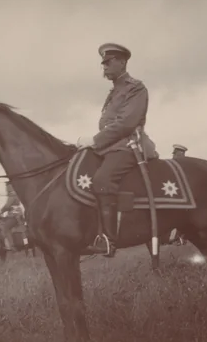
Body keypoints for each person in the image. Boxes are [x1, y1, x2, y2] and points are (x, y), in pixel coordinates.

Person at [75, 42, 158, 257]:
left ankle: (109, 240)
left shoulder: (135, 88)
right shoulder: (113, 93)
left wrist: (94, 140)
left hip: (130, 145)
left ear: (122, 62)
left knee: (103, 180)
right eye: (103, 63)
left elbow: (126, 124)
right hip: (112, 147)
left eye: (109, 62)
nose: (104, 66)